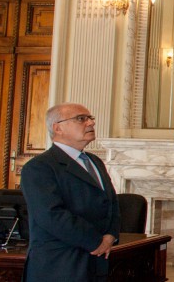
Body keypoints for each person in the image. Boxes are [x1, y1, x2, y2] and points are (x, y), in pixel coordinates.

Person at [20, 103, 120, 281]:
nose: (90, 123)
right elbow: (51, 215)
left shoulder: (95, 161)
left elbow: (111, 202)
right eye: (81, 119)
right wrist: (96, 242)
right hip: (60, 265)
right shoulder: (39, 167)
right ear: (57, 128)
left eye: (91, 119)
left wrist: (111, 236)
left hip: (97, 261)